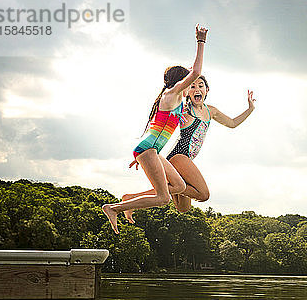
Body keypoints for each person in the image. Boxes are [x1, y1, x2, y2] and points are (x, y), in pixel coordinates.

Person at [102, 25, 208, 234]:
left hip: (150, 151)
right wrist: (200, 41)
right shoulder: (171, 94)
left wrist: (140, 155)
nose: (193, 84)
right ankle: (113, 208)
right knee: (163, 198)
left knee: (178, 186)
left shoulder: (175, 100)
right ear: (180, 82)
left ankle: (130, 199)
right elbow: (196, 72)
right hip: (148, 150)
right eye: (189, 82)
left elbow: (152, 128)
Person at [121, 76, 255, 222]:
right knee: (203, 194)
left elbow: (233, 123)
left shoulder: (212, 111)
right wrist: (146, 152)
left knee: (183, 208)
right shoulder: (184, 110)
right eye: (192, 86)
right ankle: (137, 198)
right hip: (178, 156)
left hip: (185, 160)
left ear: (207, 90)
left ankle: (134, 197)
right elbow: (162, 126)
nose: (197, 89)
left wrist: (250, 109)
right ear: (187, 92)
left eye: (201, 86)